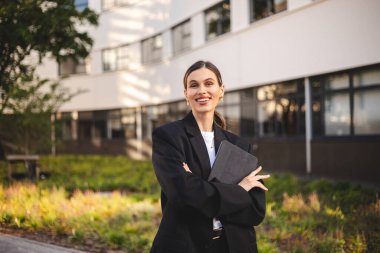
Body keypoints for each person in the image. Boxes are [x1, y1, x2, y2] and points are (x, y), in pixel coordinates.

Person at [150, 60, 270, 253]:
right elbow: (181, 195)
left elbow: (255, 210)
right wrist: (239, 191)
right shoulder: (169, 137)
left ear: (221, 90)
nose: (202, 90)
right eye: (194, 85)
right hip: (187, 246)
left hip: (233, 246)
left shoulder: (238, 145)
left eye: (209, 83)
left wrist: (195, 183)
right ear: (186, 94)